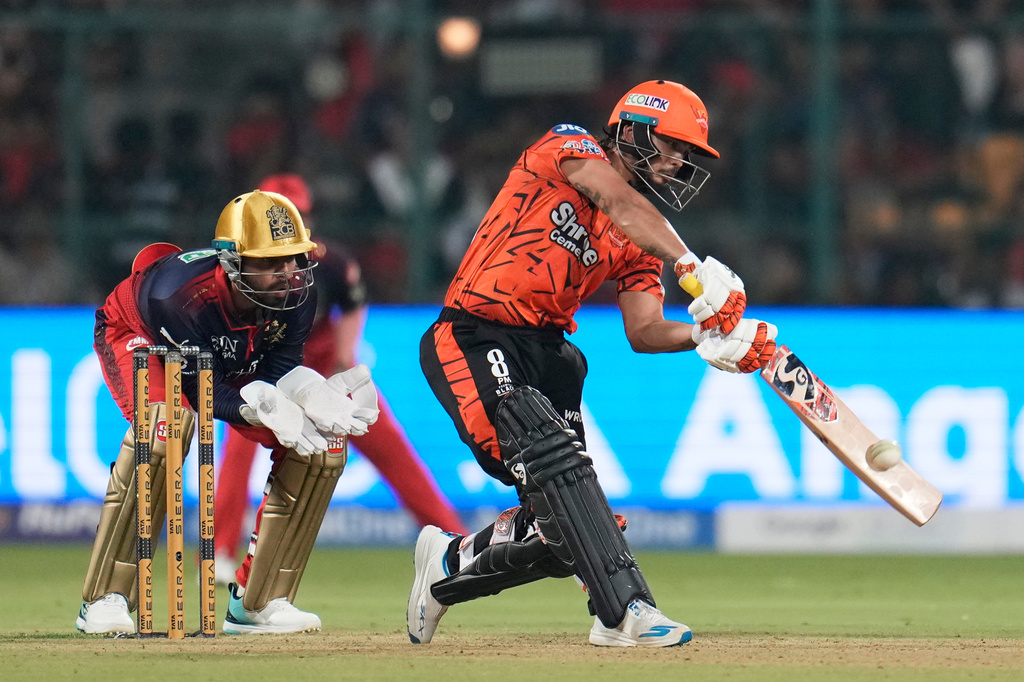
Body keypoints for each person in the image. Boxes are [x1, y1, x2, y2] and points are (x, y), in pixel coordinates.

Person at [409, 80, 778, 648]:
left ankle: (448, 566)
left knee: (562, 532)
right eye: (673, 145)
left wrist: (709, 337)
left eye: (688, 155)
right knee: (559, 471)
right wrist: (690, 264)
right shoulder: (567, 147)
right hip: (475, 336)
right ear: (631, 129)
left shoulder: (638, 239)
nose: (680, 162)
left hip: (548, 357)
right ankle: (625, 612)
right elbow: (616, 201)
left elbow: (646, 331)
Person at [75, 189, 379, 636]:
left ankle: (257, 603)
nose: (289, 273)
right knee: (166, 430)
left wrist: (304, 392)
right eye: (272, 262)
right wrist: (253, 408)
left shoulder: (300, 292)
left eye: (294, 258)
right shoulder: (178, 296)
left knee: (323, 443)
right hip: (138, 334)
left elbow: (278, 370)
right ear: (233, 263)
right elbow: (201, 392)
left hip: (223, 361)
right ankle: (105, 597)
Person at [213, 174, 468, 584]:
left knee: (395, 454)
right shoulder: (239, 272)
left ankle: (458, 545)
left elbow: (352, 305)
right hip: (268, 378)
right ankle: (220, 557)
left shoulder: (328, 263)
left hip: (323, 373)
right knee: (237, 456)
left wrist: (342, 362)